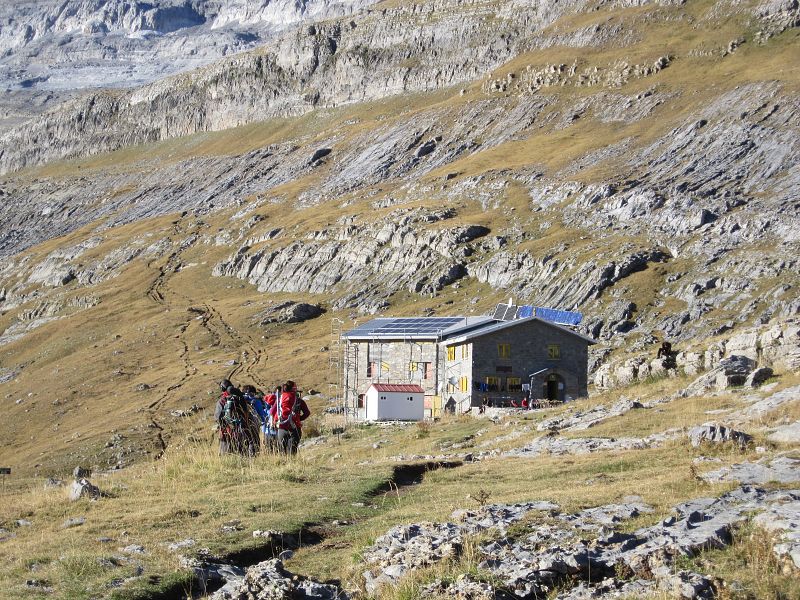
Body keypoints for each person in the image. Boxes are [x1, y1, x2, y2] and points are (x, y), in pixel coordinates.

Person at [270, 380, 310, 455]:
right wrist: (299, 418)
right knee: (292, 452)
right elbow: (307, 413)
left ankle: (284, 466)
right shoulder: (298, 400)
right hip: (294, 428)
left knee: (282, 453)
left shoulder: (280, 399)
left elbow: (272, 411)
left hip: (281, 428)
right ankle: (292, 466)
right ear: (294, 389)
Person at [242, 385, 267, 456]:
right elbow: (263, 417)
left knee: (244, 444)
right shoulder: (256, 401)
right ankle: (253, 459)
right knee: (254, 442)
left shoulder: (241, 400)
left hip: (241, 426)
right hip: (254, 426)